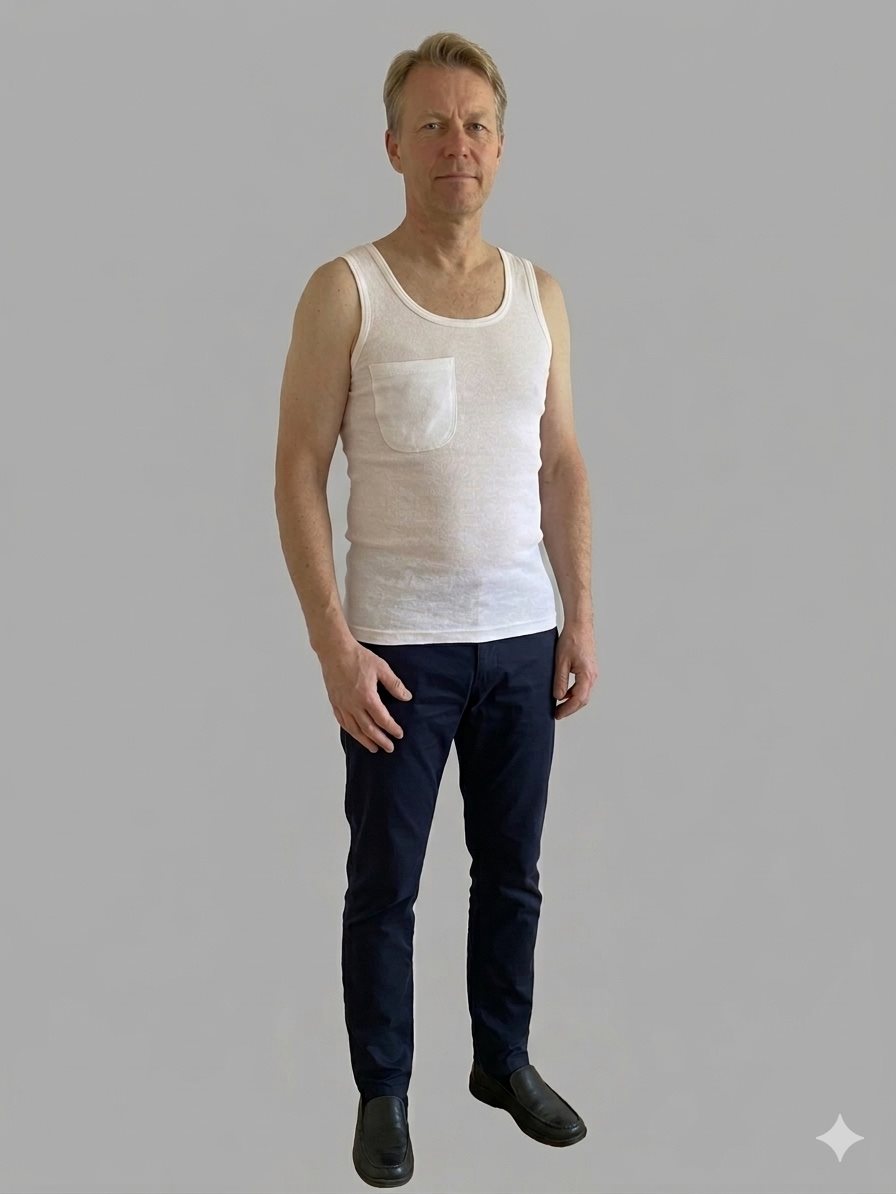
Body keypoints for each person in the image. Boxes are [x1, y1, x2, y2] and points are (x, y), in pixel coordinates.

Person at [274, 30, 598, 1188]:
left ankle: (501, 1062)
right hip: (395, 648)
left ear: (498, 148)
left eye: (473, 126)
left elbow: (560, 463)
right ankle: (383, 1089)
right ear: (393, 147)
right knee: (386, 885)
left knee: (511, 872)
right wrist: (331, 646)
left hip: (518, 636)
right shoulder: (345, 290)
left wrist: (578, 616)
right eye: (431, 125)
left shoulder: (539, 297)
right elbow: (296, 468)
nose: (454, 144)